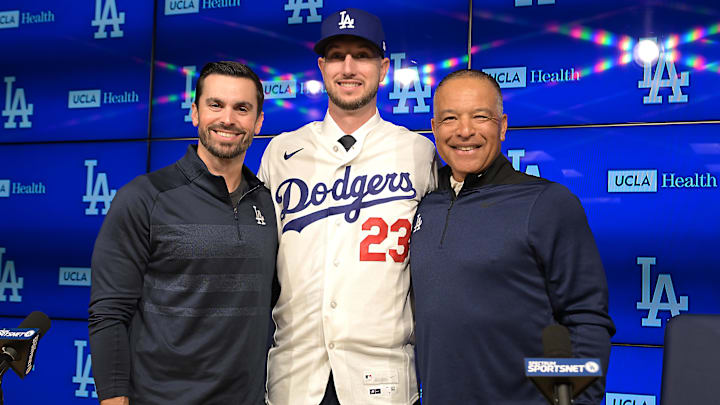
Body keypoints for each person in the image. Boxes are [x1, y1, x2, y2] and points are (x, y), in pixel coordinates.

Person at [258, 8, 436, 405]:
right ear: (322, 67)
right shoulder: (281, 152)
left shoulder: (418, 153)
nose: (349, 67)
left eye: (362, 55)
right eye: (337, 55)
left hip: (383, 378)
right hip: (295, 376)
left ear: (384, 67)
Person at [409, 69, 615, 404]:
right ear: (434, 129)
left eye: (480, 116)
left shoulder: (548, 203)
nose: (464, 131)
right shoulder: (423, 204)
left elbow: (587, 317)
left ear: (502, 125)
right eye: (450, 118)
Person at [88, 61, 277, 405]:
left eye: (242, 108)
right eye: (215, 105)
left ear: (258, 121)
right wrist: (113, 398)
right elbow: (109, 313)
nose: (228, 119)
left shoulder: (267, 202)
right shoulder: (144, 197)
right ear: (195, 113)